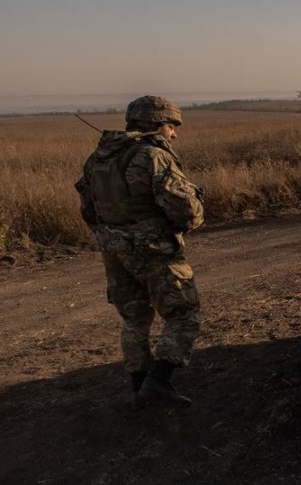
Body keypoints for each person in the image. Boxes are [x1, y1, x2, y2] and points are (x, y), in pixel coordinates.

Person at [75, 96, 205, 407]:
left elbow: (89, 211)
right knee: (184, 314)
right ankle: (158, 381)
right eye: (171, 126)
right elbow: (185, 211)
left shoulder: (98, 158)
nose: (174, 133)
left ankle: (140, 387)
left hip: (113, 250)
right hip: (153, 249)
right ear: (157, 123)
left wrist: (117, 234)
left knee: (134, 319)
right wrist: (197, 207)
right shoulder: (153, 156)